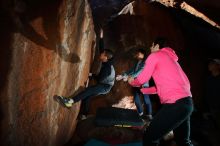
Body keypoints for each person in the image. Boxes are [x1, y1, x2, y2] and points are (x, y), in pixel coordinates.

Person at [128, 37, 194, 146]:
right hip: (187, 104)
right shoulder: (172, 60)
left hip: (175, 105)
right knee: (183, 142)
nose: (150, 48)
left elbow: (142, 79)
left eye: (152, 45)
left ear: (157, 46)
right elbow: (160, 88)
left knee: (149, 138)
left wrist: (132, 82)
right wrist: (143, 90)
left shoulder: (155, 55)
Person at [56, 29, 115, 116]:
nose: (100, 54)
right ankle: (84, 114)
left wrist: (92, 75)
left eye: (102, 54)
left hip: (105, 86)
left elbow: (100, 80)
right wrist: (101, 38)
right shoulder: (107, 59)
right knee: (88, 96)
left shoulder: (107, 69)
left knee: (89, 90)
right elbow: (102, 49)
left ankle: (70, 102)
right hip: (105, 81)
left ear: (105, 57)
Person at [116, 49, 152, 120]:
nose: (137, 55)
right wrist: (123, 75)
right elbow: (131, 71)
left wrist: (130, 76)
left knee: (146, 99)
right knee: (136, 98)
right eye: (137, 54)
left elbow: (139, 72)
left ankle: (149, 114)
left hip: (144, 84)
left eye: (138, 53)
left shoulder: (145, 63)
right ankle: (140, 114)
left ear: (143, 54)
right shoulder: (137, 62)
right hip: (136, 83)